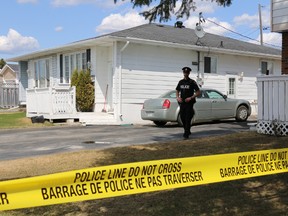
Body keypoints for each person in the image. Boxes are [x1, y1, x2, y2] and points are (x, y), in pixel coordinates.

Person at [176, 67, 201, 139]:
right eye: (184, 72)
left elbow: (198, 92)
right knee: (182, 117)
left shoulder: (192, 82)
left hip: (189, 103)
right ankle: (187, 130)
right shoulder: (180, 82)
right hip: (182, 102)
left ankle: (186, 134)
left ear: (189, 73)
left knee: (187, 118)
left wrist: (191, 97)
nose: (185, 73)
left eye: (187, 72)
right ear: (183, 73)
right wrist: (178, 97)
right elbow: (177, 90)